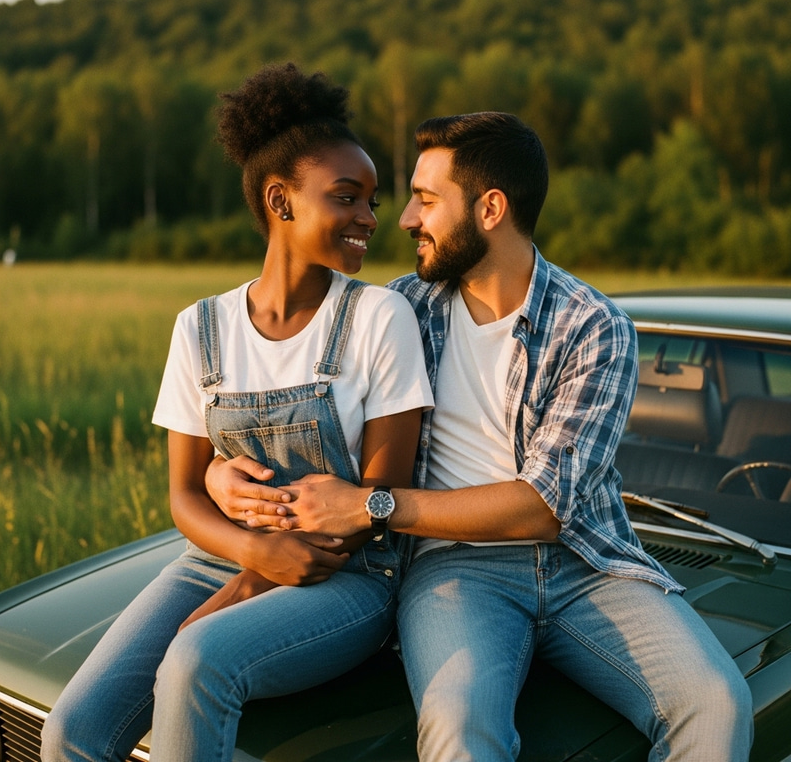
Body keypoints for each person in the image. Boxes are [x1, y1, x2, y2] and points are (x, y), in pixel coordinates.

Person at [206, 111, 754, 760]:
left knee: (716, 704)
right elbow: (298, 410)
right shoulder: (398, 311)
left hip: (586, 566)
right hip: (454, 571)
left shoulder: (593, 327)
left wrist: (374, 505)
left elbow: (544, 507)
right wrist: (218, 471)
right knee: (461, 730)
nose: (405, 218)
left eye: (426, 199)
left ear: (490, 209)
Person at [40, 62, 433, 762]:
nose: (370, 219)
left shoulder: (381, 318)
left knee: (198, 662)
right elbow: (185, 496)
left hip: (349, 577)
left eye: (373, 202)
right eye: (347, 198)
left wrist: (259, 577)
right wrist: (250, 554)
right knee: (73, 732)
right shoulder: (202, 327)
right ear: (280, 200)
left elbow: (377, 502)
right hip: (217, 555)